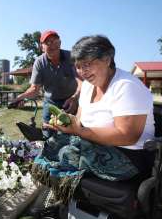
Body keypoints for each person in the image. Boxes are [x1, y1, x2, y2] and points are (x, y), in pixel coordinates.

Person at [43, 35, 155, 174]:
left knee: (65, 156)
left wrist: (79, 131)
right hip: (93, 145)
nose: (82, 71)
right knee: (51, 145)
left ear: (107, 59)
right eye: (78, 67)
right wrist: (67, 123)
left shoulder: (126, 86)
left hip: (128, 156)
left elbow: (127, 136)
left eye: (87, 64)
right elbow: (79, 122)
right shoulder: (87, 86)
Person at [10, 30, 82, 135]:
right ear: (42, 47)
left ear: (60, 43)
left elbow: (82, 82)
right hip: (51, 103)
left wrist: (75, 98)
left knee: (74, 135)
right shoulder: (39, 62)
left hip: (71, 101)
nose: (52, 45)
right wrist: (19, 98)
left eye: (55, 41)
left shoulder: (71, 57)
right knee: (48, 134)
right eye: (48, 42)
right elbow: (34, 89)